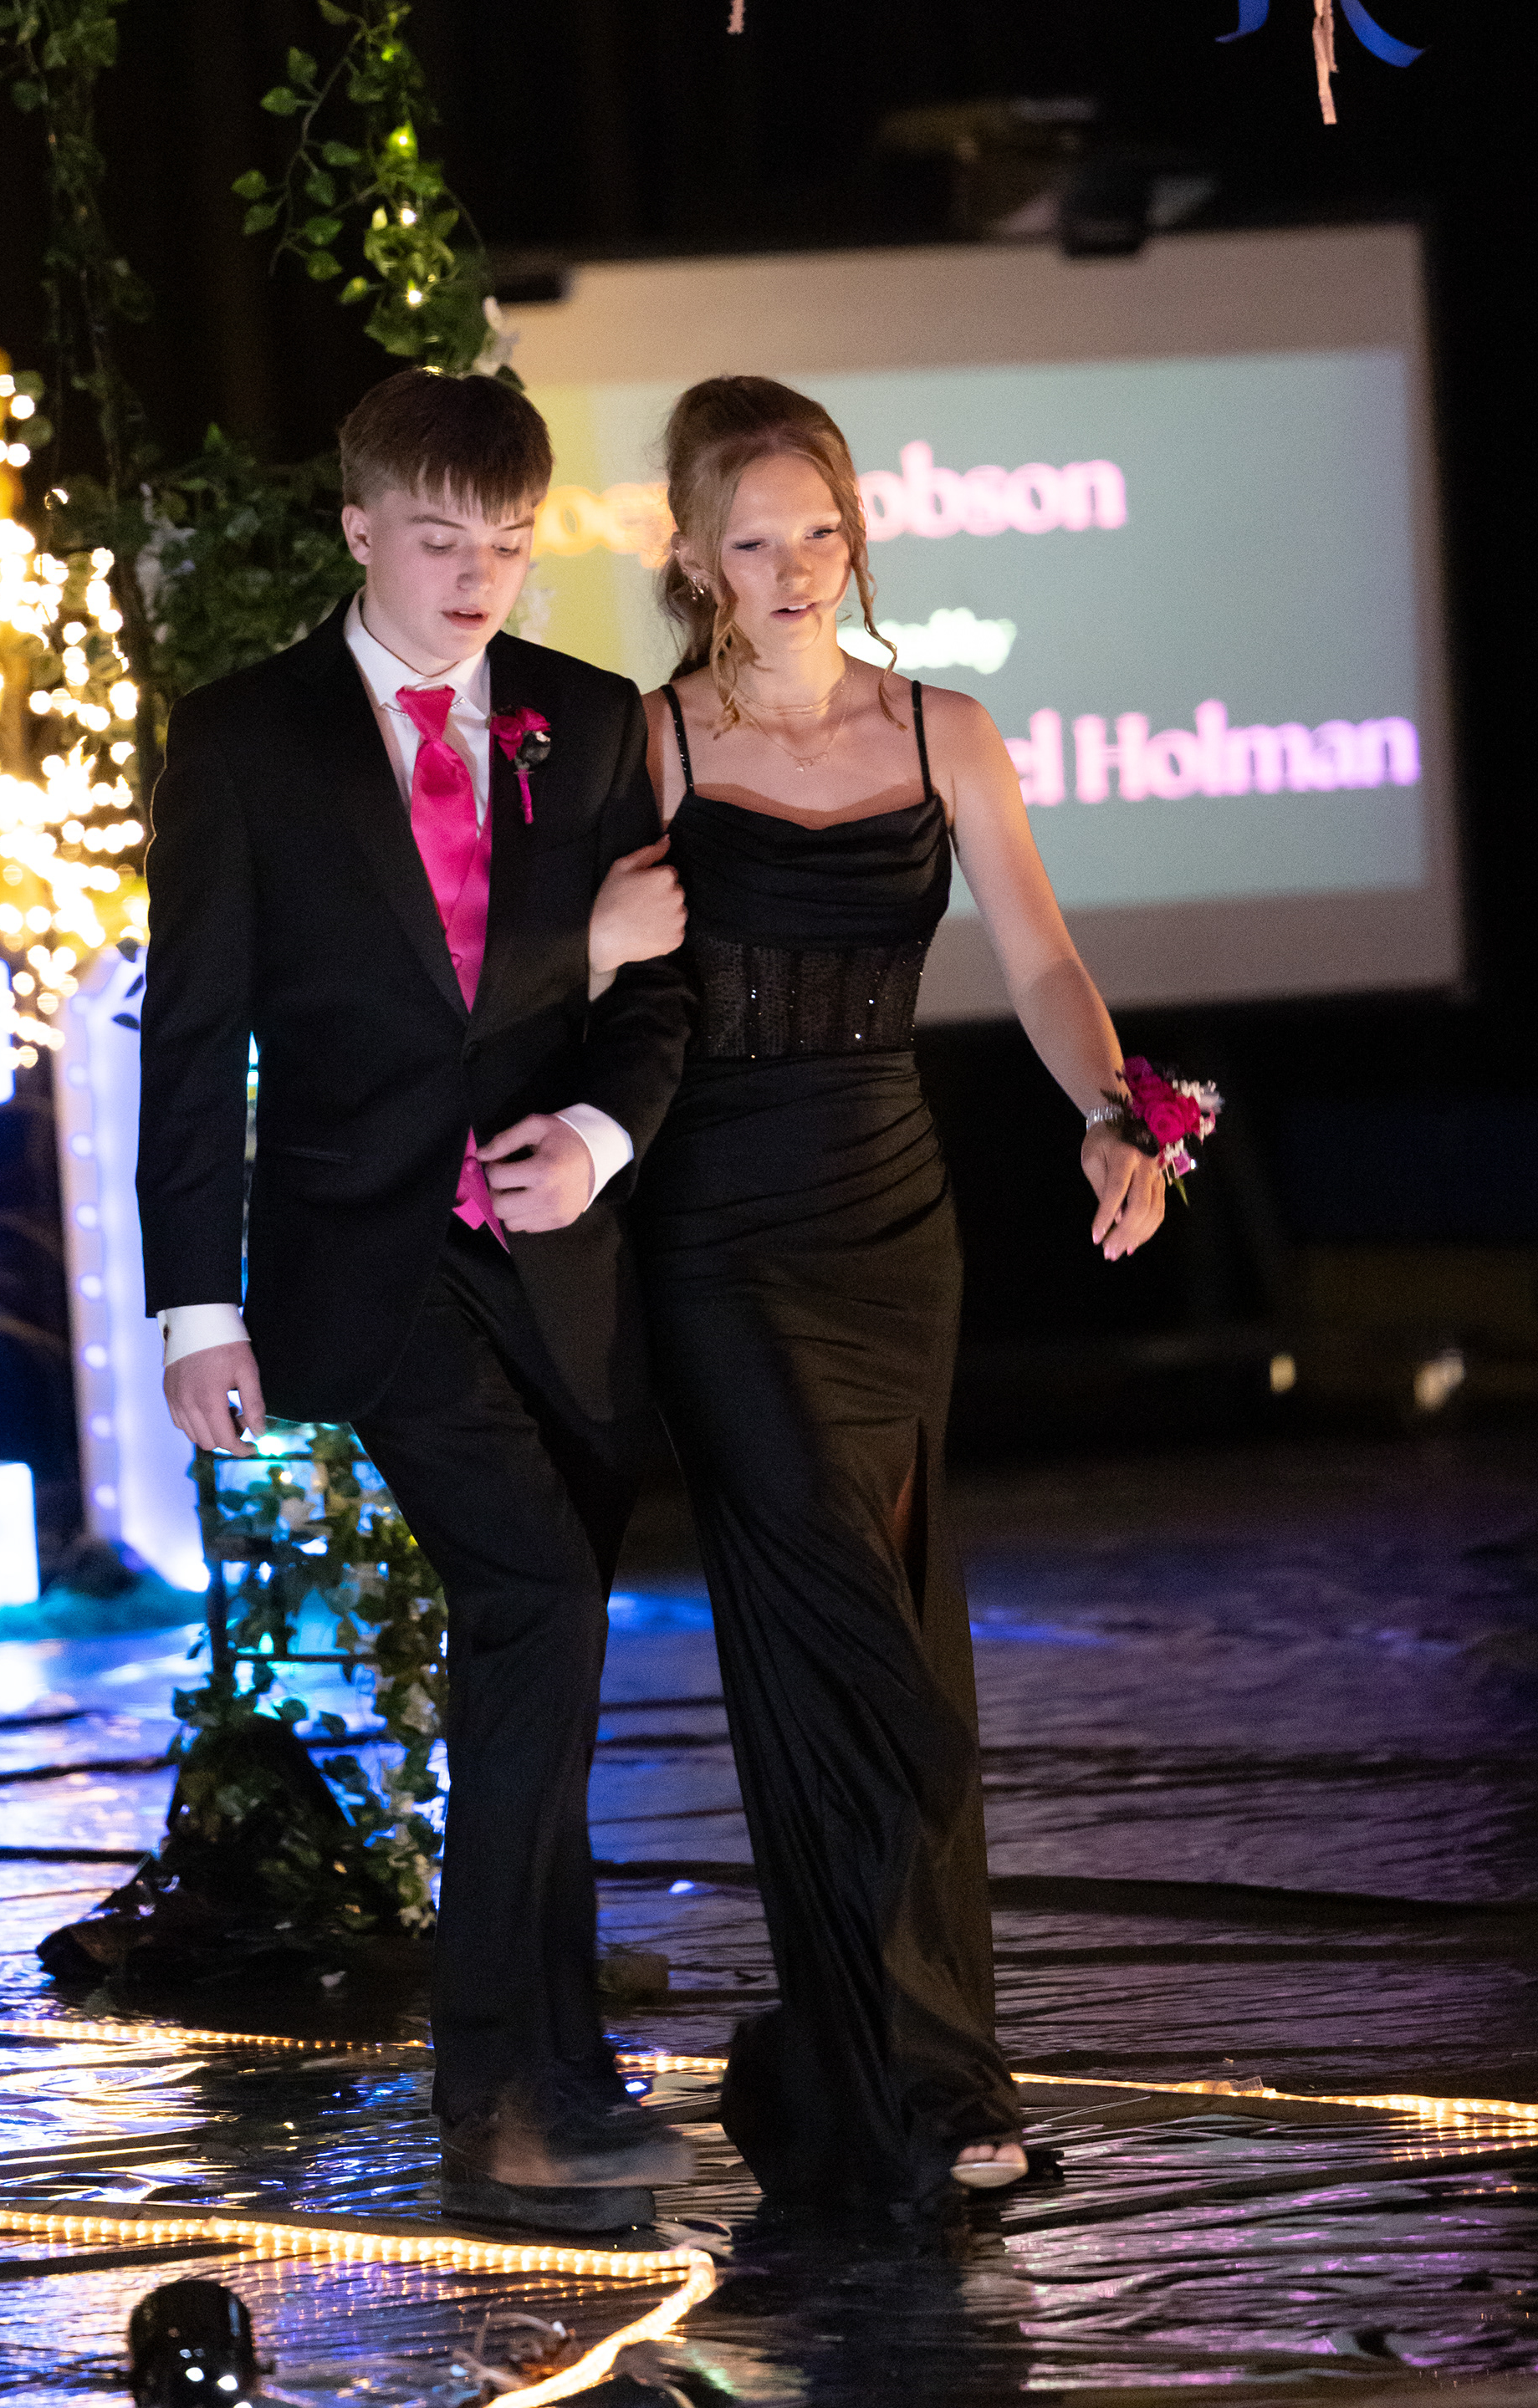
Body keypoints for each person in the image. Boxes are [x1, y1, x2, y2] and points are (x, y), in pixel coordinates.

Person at [137, 366, 697, 2237]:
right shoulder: (247, 738)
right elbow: (194, 1038)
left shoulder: (586, 718)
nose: (475, 581)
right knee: (540, 1600)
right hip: (368, 1261)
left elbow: (657, 996)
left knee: (548, 1643)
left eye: (509, 547)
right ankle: (507, 2088)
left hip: (558, 1264)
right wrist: (192, 1310)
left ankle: (560, 2068)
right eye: (441, 541)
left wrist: (602, 1137)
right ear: (360, 529)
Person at [621, 374, 1168, 2212]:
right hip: (716, 1225)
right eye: (754, 538)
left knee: (889, 1626)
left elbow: (1047, 963)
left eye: (820, 530)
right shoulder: (653, 746)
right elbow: (574, 986)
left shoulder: (946, 730)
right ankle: (890, 2060)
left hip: (890, 1217)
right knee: (850, 1645)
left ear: (856, 535)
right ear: (694, 556)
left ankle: (910, 2087)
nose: (794, 567)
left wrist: (1113, 1111)